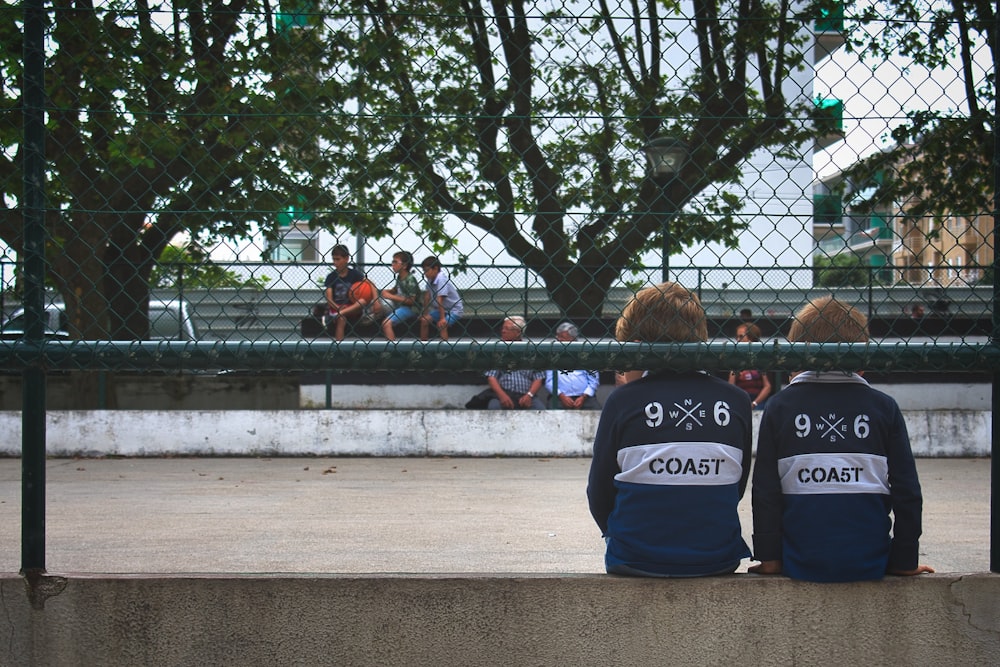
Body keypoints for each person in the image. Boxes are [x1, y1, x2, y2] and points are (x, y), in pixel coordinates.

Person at [750, 295, 934, 582]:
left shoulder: (780, 406)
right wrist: (905, 558)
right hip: (870, 560)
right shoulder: (883, 407)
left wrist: (770, 557)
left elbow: (765, 491)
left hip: (799, 559)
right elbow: (907, 491)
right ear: (861, 358)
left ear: (798, 354)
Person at [587, 282, 753, 577]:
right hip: (717, 556)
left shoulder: (624, 401)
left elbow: (599, 491)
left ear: (636, 345)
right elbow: (737, 486)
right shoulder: (736, 400)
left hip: (634, 556)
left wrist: (620, 536)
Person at [485, 316, 546, 410]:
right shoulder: (498, 349)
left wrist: (529, 395)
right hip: (504, 393)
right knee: (494, 407)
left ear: (518, 332)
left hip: (526, 394)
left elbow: (538, 378)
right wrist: (502, 396)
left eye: (507, 329)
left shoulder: (531, 350)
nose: (503, 331)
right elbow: (491, 377)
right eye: (503, 328)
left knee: (540, 410)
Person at [325, 245, 382, 341]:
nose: (335, 263)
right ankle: (339, 346)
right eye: (334, 260)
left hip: (351, 307)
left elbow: (371, 283)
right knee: (341, 319)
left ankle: (341, 313)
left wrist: (376, 301)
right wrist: (338, 307)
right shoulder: (331, 277)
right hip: (336, 307)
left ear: (346, 258)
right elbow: (329, 299)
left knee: (363, 301)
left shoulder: (354, 274)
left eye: (338, 259)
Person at [545, 322, 601, 410]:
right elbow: (549, 381)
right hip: (559, 397)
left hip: (584, 397)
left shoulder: (585, 355)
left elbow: (594, 380)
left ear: (572, 339)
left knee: (597, 411)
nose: (559, 340)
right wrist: (562, 396)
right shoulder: (552, 355)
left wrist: (583, 397)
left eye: (562, 338)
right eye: (558, 337)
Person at [728, 322, 772, 409]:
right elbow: (731, 385)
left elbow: (767, 386)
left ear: (751, 338)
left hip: (758, 401)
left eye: (741, 336)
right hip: (741, 399)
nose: (738, 339)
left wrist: (754, 403)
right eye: (737, 337)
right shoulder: (736, 358)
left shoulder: (760, 358)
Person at [419, 256, 464, 341]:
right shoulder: (430, 279)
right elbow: (427, 296)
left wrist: (442, 319)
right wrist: (425, 313)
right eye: (424, 271)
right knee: (424, 321)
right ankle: (423, 346)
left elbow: (440, 300)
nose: (425, 273)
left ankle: (444, 351)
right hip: (441, 309)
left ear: (435, 268)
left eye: (427, 270)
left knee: (442, 325)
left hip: (454, 309)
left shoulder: (441, 279)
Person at [380, 250, 422, 341]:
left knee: (386, 323)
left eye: (395, 262)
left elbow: (411, 301)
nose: (392, 264)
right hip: (400, 306)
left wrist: (390, 296)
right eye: (392, 261)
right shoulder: (400, 277)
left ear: (404, 265)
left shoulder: (410, 279)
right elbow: (395, 290)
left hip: (410, 309)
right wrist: (386, 291)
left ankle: (391, 348)